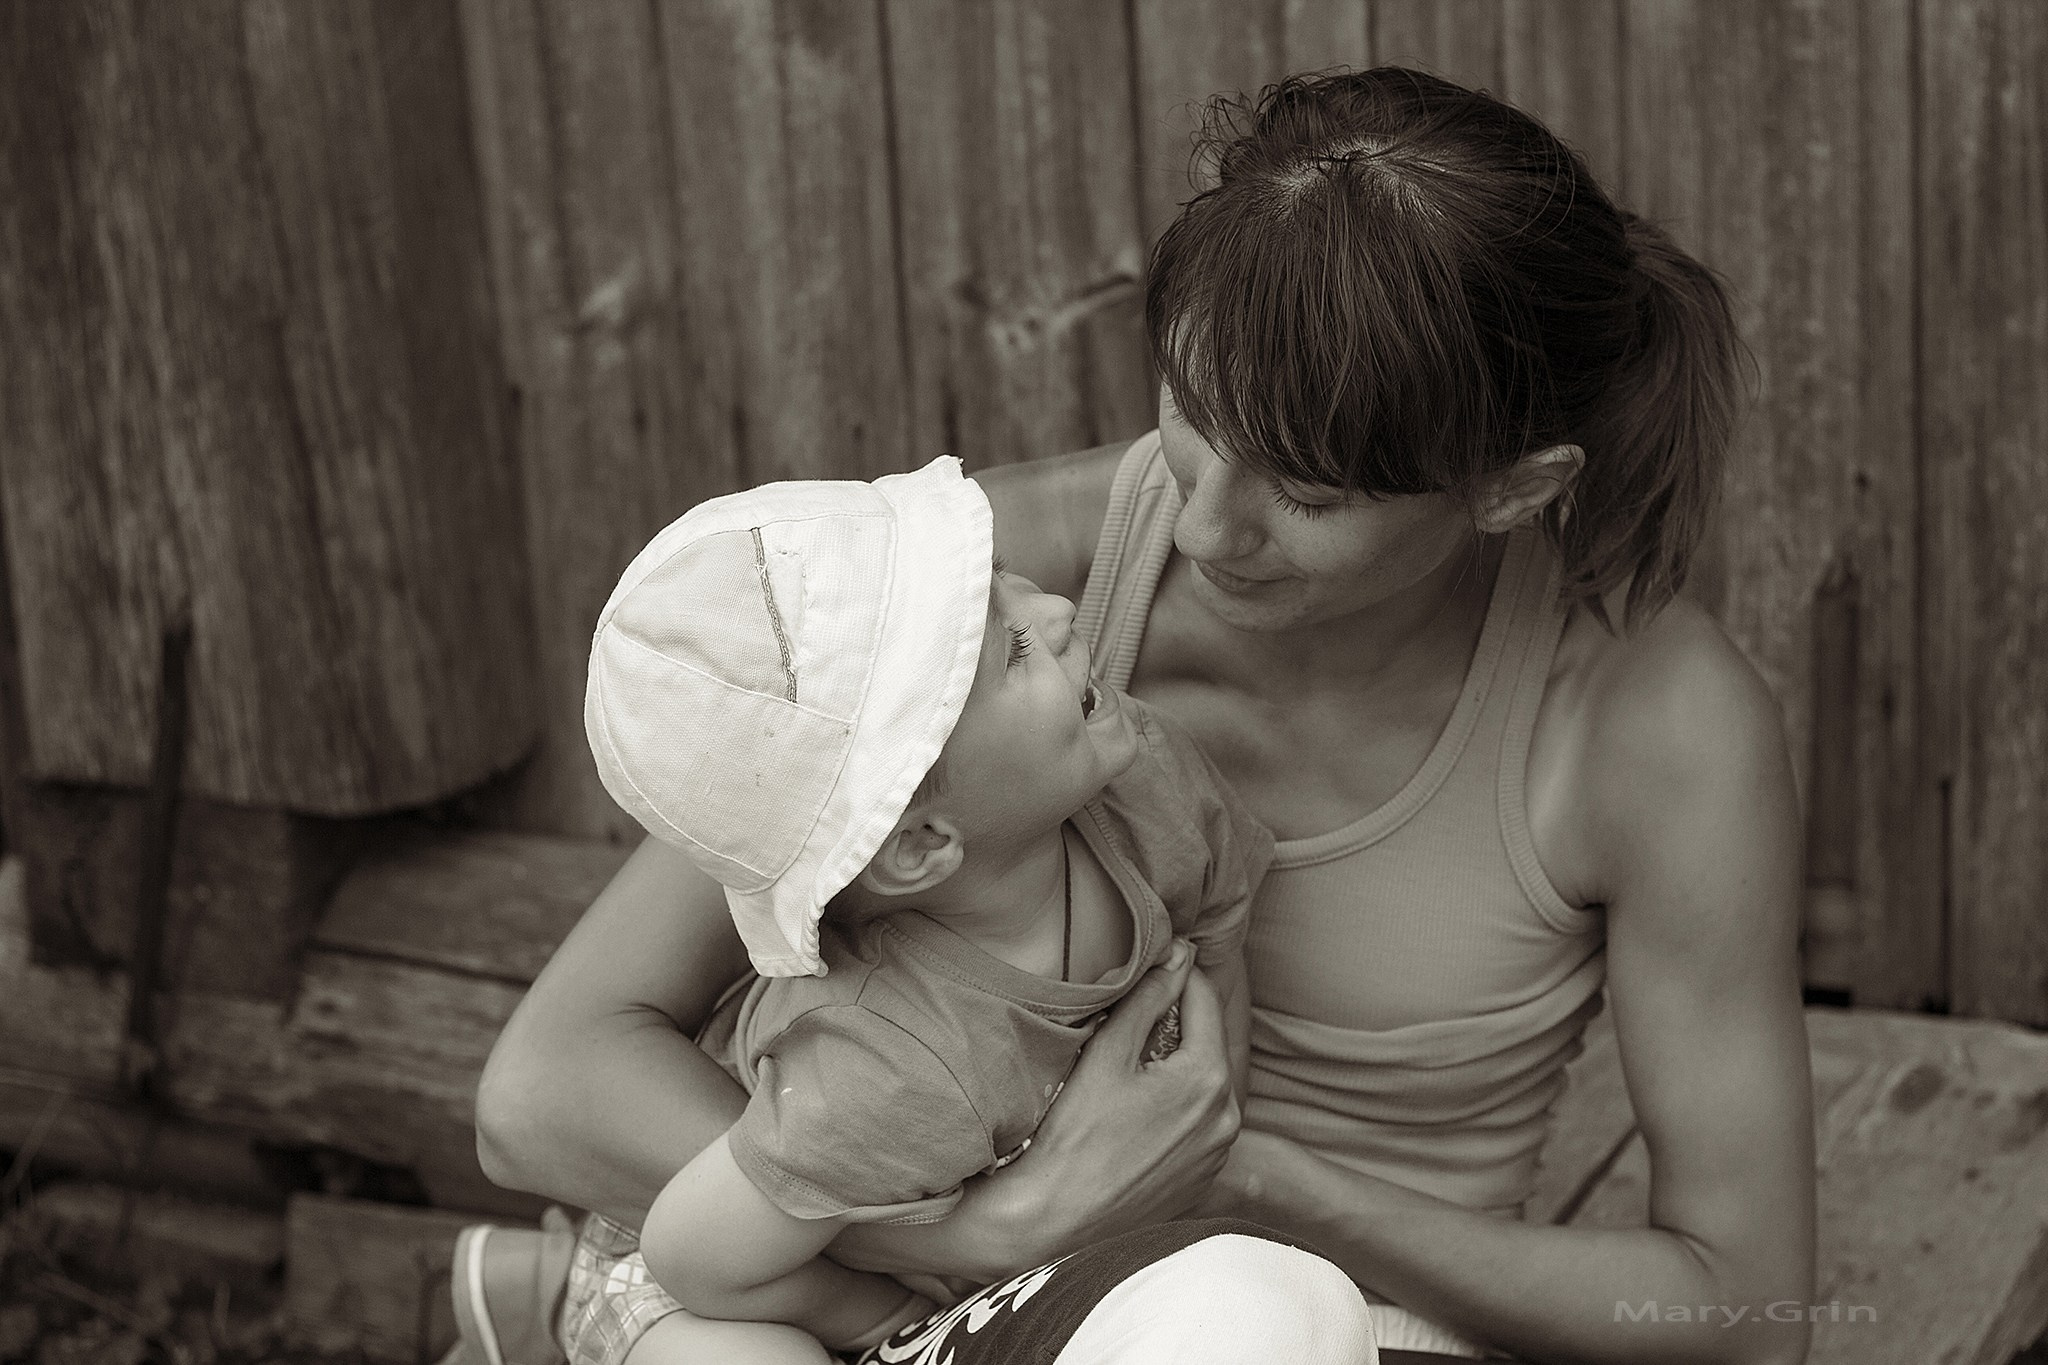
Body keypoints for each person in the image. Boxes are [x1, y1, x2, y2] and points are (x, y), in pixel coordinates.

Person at [457, 66, 1815, 1364]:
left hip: (1363, 1321)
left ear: (1514, 488)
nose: (1208, 524)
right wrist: (1001, 1227)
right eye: (1191, 410)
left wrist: (1269, 1190)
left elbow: (1740, 1310)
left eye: (1312, 496)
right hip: (945, 1311)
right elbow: (547, 1089)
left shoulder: (1655, 727)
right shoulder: (983, 599)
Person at [534, 455, 1341, 1364]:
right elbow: (694, 1258)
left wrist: (1196, 1140)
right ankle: (539, 1293)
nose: (1057, 612)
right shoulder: (882, 1060)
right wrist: (878, 1324)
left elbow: (1220, 942)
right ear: (921, 844)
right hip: (700, 1279)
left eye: (1007, 585)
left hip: (901, 1252)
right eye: (1012, 650)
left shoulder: (1150, 784)